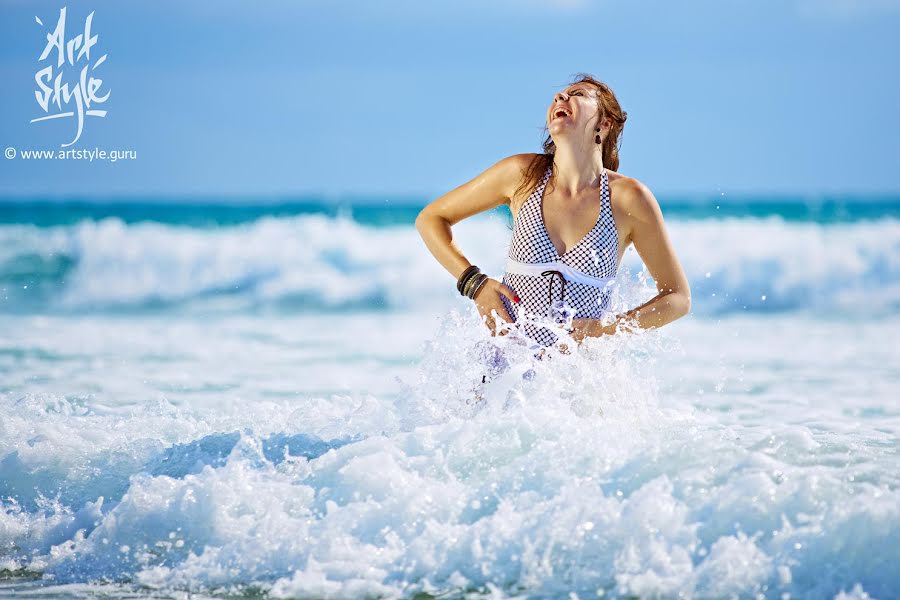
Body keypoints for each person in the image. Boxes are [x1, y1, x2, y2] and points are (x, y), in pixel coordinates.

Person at [415, 73, 691, 357]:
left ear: (604, 124)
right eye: (559, 95)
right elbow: (431, 219)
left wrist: (605, 330)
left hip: (576, 382)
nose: (561, 97)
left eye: (579, 94)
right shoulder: (523, 175)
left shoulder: (628, 198)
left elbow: (678, 297)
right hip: (502, 377)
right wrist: (476, 285)